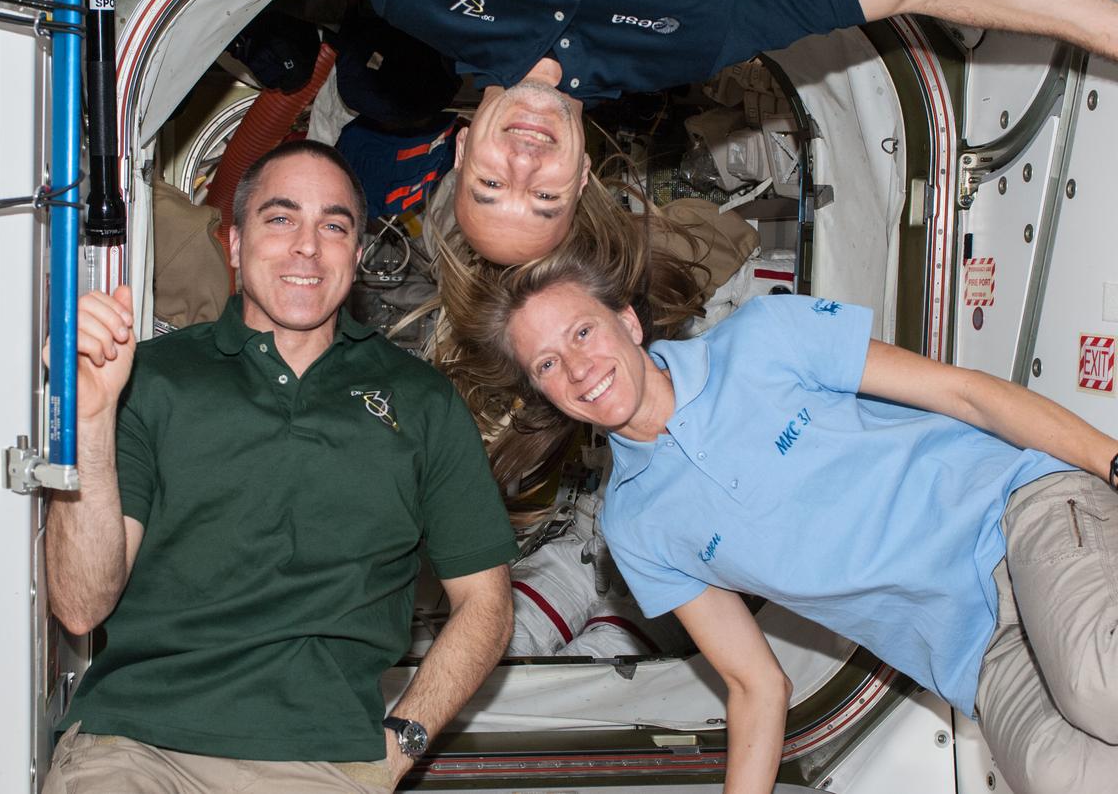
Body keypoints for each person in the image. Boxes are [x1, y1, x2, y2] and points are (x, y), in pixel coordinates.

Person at [443, 247, 1118, 794]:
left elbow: (966, 394)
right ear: (545, 393)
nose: (579, 368)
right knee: (1064, 776)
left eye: (582, 331)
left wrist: (1111, 462)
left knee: (1099, 682)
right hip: (970, 653)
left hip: (1015, 518)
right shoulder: (635, 526)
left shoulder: (765, 337)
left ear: (628, 320)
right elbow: (755, 683)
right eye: (549, 364)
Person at [43, 140, 517, 793]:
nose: (307, 246)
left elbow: (485, 603)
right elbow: (79, 605)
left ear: (356, 255)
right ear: (234, 245)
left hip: (321, 764)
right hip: (137, 750)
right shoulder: (151, 378)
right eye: (280, 218)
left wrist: (402, 741)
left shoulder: (421, 401)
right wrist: (91, 424)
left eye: (333, 225)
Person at [339, 0, 1118, 263]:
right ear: (579, 180)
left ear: (464, 143)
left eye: (491, 181)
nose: (525, 162)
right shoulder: (686, 48)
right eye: (541, 195)